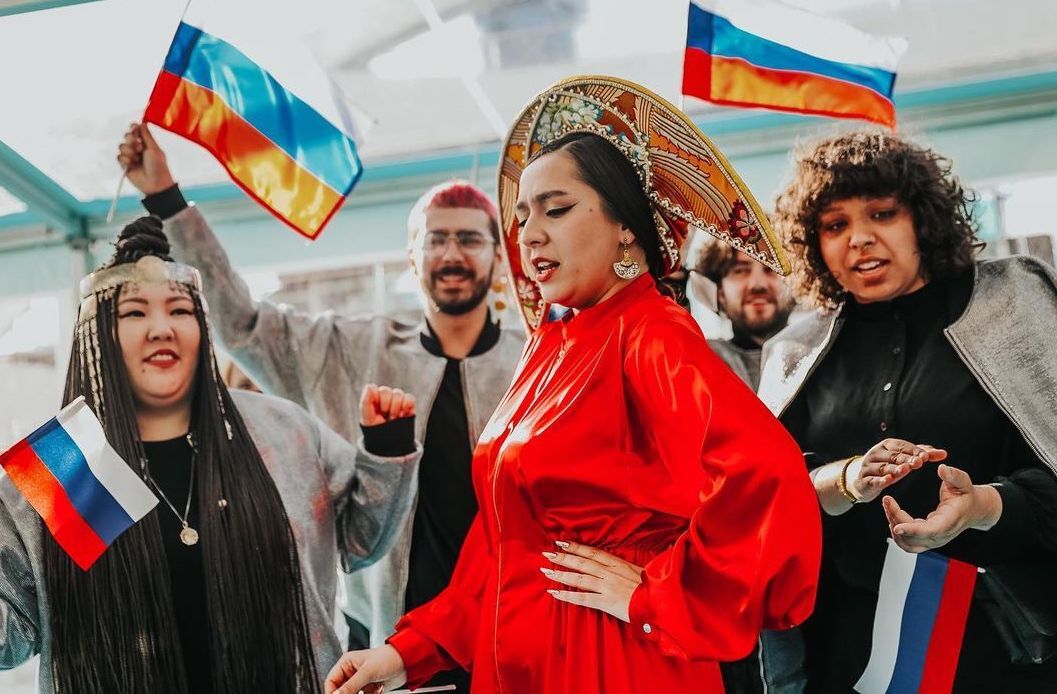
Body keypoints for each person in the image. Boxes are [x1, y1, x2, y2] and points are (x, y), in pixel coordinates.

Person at [325, 75, 822, 694]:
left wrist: (659, 594)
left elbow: (765, 474)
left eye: (556, 209)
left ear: (626, 227)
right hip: (524, 662)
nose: (529, 233)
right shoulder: (550, 346)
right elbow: (505, 543)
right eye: (522, 216)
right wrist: (407, 652)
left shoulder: (650, 331)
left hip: (614, 661)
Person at [116, 123, 525, 691]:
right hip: (386, 647)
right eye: (436, 240)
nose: (452, 254)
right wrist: (166, 198)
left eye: (470, 239)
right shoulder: (348, 350)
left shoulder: (539, 364)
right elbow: (242, 323)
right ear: (412, 258)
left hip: (512, 639)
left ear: (500, 259)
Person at [0, 217, 420, 693]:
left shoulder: (281, 431)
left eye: (179, 310)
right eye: (134, 313)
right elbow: (12, 633)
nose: (161, 328)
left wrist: (386, 451)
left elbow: (360, 541)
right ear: (97, 334)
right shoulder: (63, 465)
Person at [760, 130, 1057, 691]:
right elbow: (765, 500)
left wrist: (981, 506)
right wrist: (843, 479)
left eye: (882, 213)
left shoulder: (1012, 307)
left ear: (922, 218)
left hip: (1008, 648)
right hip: (849, 652)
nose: (860, 239)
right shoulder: (793, 352)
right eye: (835, 225)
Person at [692, 237, 796, 390]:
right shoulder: (702, 362)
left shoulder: (825, 356)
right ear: (720, 292)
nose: (758, 285)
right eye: (740, 271)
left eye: (772, 269)